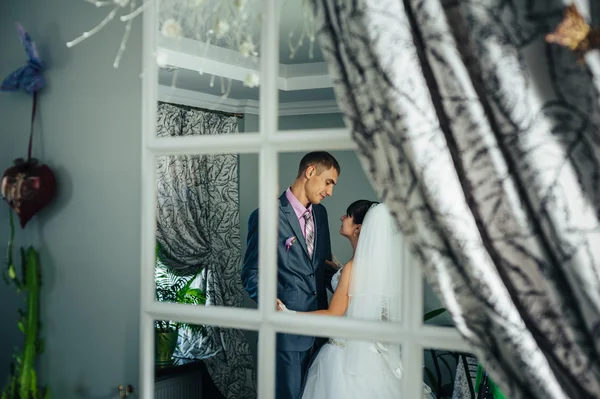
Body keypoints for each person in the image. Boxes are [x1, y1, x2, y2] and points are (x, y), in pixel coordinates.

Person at [278, 201, 436, 399]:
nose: (342, 218)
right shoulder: (375, 266)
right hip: (371, 354)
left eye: (347, 215)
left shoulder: (354, 268)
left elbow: (333, 314)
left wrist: (287, 314)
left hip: (343, 356)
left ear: (358, 228)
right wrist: (338, 272)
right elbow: (362, 298)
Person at [241, 151, 341, 399]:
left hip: (320, 332)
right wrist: (267, 300)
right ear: (310, 172)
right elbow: (251, 273)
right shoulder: (266, 215)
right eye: (328, 182)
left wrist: (346, 281)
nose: (330, 192)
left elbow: (321, 267)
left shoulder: (321, 214)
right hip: (286, 334)